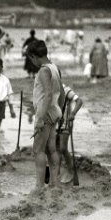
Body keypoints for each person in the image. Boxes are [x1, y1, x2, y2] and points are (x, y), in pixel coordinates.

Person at [26, 40, 65, 191]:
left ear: (34, 56)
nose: (32, 62)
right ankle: (54, 183)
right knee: (51, 149)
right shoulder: (55, 67)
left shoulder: (43, 71)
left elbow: (48, 95)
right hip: (54, 112)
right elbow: (61, 93)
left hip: (45, 113)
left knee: (38, 150)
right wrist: (59, 112)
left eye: (31, 59)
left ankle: (39, 186)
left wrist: (40, 119)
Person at [57, 84, 83, 184]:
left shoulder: (66, 90)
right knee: (55, 149)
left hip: (65, 124)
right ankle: (56, 173)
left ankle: (70, 171)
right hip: (54, 124)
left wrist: (73, 114)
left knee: (63, 148)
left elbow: (79, 101)